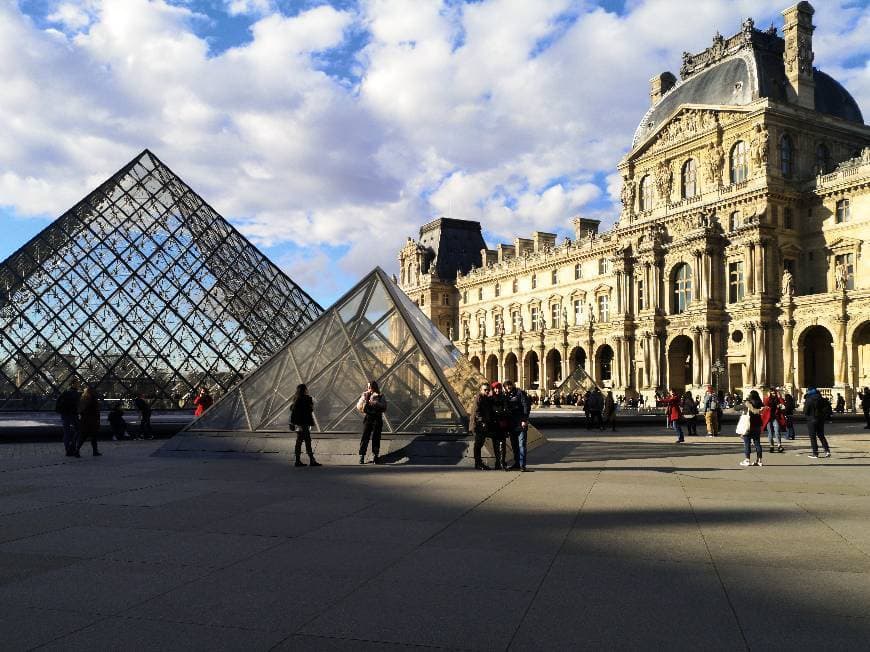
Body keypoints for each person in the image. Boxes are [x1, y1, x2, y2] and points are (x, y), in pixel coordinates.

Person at [289, 384, 320, 467]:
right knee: (307, 441)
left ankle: (298, 460)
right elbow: (311, 409)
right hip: (305, 423)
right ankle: (311, 460)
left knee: (299, 442)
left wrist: (292, 423)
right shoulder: (307, 398)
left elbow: (293, 411)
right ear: (305, 389)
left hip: (298, 424)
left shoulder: (296, 398)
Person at [504, 380, 532, 470]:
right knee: (514, 445)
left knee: (521, 445)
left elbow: (526, 406)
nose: (508, 387)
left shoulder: (520, 393)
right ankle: (517, 463)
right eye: (506, 386)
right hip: (511, 424)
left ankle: (522, 465)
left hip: (520, 423)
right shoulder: (506, 395)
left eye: (509, 385)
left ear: (513, 385)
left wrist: (524, 420)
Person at [358, 380, 387, 464]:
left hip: (377, 418)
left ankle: (375, 455)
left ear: (374, 387)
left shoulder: (381, 396)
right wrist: (364, 402)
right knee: (365, 437)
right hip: (368, 418)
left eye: (370, 387)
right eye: (368, 387)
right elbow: (359, 407)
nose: (369, 389)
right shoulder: (365, 395)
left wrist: (375, 403)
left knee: (376, 438)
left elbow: (384, 407)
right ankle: (362, 456)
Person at [468, 382, 493, 470]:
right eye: (485, 390)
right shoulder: (479, 398)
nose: (487, 391)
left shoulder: (485, 398)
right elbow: (477, 412)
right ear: (481, 390)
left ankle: (478, 463)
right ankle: (478, 463)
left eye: (488, 390)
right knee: (478, 444)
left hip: (481, 425)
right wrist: (482, 422)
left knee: (479, 444)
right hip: (478, 426)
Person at [803, 387, 832, 459]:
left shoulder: (809, 399)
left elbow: (805, 411)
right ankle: (827, 451)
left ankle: (815, 453)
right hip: (820, 419)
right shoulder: (821, 399)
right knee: (821, 435)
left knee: (813, 437)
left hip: (811, 419)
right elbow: (827, 408)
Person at [55, 379, 81, 457]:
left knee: (66, 432)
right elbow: (79, 405)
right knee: (78, 431)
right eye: (77, 383)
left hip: (64, 414)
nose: (78, 385)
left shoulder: (65, 392)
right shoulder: (75, 394)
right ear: (72, 384)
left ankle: (68, 449)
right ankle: (72, 447)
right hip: (73, 415)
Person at [76, 386, 102, 457]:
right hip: (92, 421)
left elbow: (80, 410)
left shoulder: (83, 399)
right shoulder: (93, 399)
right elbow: (96, 411)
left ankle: (77, 450)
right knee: (93, 437)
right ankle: (95, 451)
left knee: (83, 437)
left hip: (84, 421)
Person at [740, 390, 763, 467]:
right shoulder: (760, 403)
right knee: (757, 443)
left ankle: (747, 460)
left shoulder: (748, 403)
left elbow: (736, 408)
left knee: (747, 443)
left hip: (748, 425)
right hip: (757, 425)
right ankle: (759, 460)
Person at [489, 382, 509, 470]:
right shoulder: (490, 399)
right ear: (493, 389)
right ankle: (498, 462)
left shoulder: (504, 398)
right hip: (494, 424)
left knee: (502, 443)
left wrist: (499, 413)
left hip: (502, 424)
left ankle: (502, 462)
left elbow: (506, 410)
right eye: (495, 388)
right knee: (495, 444)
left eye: (498, 388)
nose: (497, 390)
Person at [764, 389, 785, 453]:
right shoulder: (767, 398)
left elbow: (783, 404)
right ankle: (771, 446)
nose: (774, 394)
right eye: (772, 393)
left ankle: (779, 445)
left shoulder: (777, 399)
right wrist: (768, 397)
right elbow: (765, 403)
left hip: (775, 417)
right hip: (768, 418)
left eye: (774, 393)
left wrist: (779, 397)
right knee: (770, 433)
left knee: (777, 431)